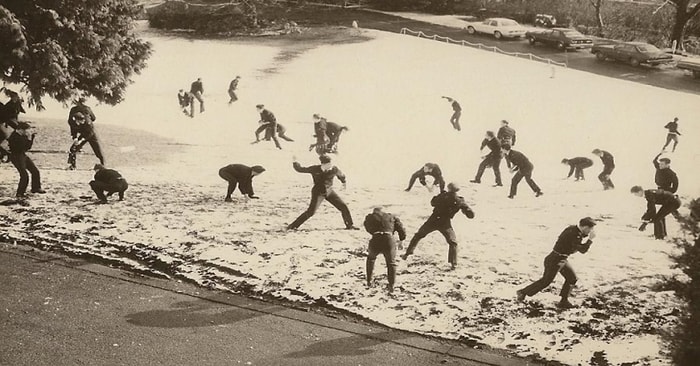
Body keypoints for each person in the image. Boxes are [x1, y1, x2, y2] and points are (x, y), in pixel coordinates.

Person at [516, 217, 596, 309]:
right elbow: (582, 250)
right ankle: (522, 292)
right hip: (555, 260)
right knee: (546, 282)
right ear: (585, 227)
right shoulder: (574, 234)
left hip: (561, 259)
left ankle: (564, 301)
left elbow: (578, 240)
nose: (591, 231)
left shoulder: (572, 229)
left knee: (572, 278)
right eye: (590, 228)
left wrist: (586, 238)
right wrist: (590, 240)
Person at [401, 182, 474, 270]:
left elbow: (433, 203)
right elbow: (470, 214)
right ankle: (453, 263)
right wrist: (465, 210)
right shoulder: (459, 200)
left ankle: (407, 254)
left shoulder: (443, 195)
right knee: (452, 242)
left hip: (433, 220)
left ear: (449, 188)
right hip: (445, 223)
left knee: (419, 235)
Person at [287, 155, 358, 230]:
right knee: (311, 212)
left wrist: (344, 182)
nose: (330, 165)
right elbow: (300, 169)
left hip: (329, 192)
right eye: (328, 164)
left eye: (331, 163)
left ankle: (349, 225)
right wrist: (295, 162)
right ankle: (292, 226)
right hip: (318, 193)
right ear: (323, 164)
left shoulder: (334, 169)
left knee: (343, 207)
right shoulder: (315, 169)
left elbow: (341, 175)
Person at [363, 207, 406, 292]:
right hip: (389, 239)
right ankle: (391, 285)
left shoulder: (370, 217)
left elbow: (367, 227)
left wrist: (375, 231)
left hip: (376, 238)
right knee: (391, 263)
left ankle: (369, 281)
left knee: (371, 259)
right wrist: (401, 240)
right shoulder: (392, 217)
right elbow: (401, 229)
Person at [7, 122, 45, 199]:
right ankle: (20, 193)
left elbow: (28, 147)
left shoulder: (22, 135)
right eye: (26, 130)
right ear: (21, 130)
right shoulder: (14, 137)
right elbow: (22, 147)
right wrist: (29, 138)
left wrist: (30, 138)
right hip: (16, 156)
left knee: (35, 171)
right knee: (24, 175)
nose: (27, 132)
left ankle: (35, 188)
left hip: (22, 155)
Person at [651, 153, 678, 239]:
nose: (660, 165)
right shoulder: (659, 168)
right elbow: (654, 161)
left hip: (666, 193)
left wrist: (669, 193)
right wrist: (660, 153)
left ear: (667, 165)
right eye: (660, 164)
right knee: (660, 214)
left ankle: (659, 234)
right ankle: (661, 233)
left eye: (662, 164)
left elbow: (675, 186)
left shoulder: (671, 173)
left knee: (660, 214)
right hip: (659, 191)